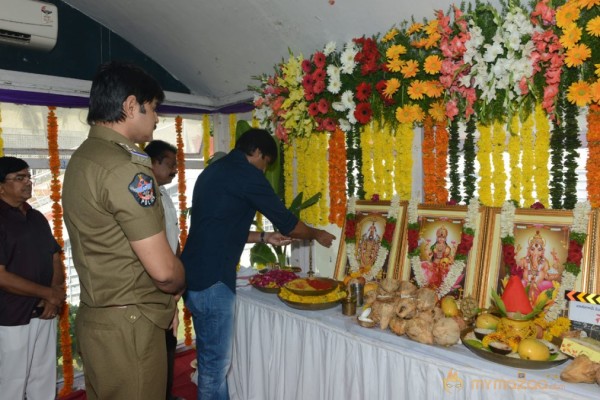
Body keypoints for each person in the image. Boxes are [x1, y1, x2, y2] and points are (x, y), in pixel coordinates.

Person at [62, 61, 186, 400]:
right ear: (131, 106)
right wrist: (179, 283)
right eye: (154, 108)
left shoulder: (84, 158)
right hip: (131, 326)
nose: (157, 118)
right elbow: (162, 271)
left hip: (99, 318)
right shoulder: (125, 168)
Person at [182, 128, 336, 400]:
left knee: (208, 361)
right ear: (259, 154)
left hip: (193, 277)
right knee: (215, 370)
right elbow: (288, 222)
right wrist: (316, 234)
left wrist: (264, 236)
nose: (265, 171)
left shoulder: (214, 171)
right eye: (266, 164)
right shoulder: (247, 174)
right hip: (214, 282)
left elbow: (220, 226)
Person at [0, 156, 66, 400]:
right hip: (11, 317)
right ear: (1, 186)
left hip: (44, 313)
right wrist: (48, 294)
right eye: (19, 178)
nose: (27, 182)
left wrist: (53, 297)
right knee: (11, 384)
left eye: (29, 176)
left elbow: (54, 257)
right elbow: (1, 276)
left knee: (44, 381)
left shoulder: (36, 217)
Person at [145, 139, 184, 400]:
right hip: (153, 284)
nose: (175, 171)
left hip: (170, 283)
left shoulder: (164, 194)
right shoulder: (145, 197)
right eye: (170, 165)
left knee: (168, 344)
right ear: (152, 163)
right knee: (152, 352)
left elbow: (174, 239)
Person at [517, 230, 560, 305]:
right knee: (519, 283)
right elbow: (516, 272)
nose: (535, 252)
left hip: (539, 286)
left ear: (542, 251)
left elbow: (547, 276)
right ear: (529, 250)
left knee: (549, 284)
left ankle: (541, 305)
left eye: (539, 250)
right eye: (532, 249)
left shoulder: (544, 262)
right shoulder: (524, 260)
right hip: (525, 284)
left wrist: (555, 262)